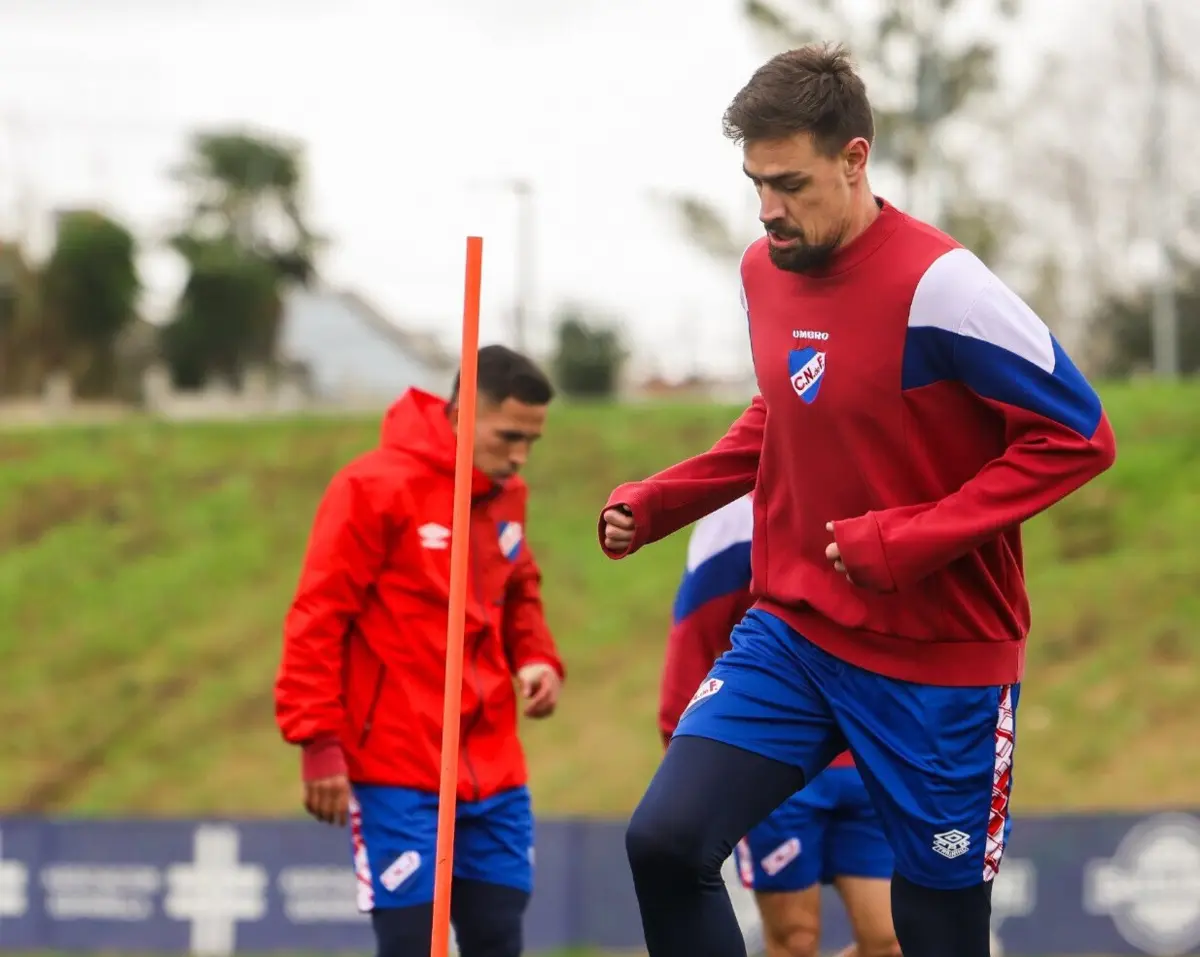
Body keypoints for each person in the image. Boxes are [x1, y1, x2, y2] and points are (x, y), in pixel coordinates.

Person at [599, 42, 1116, 957]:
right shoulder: (766, 271)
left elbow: (1079, 434)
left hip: (940, 660)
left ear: (855, 157)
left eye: (790, 183)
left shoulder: (941, 285)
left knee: (935, 927)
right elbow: (787, 408)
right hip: (795, 631)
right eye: (755, 183)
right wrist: (665, 499)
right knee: (666, 843)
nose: (769, 210)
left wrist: (915, 537)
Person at [275, 344, 566, 957]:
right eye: (509, 435)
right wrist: (319, 741)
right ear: (462, 412)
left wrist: (535, 657)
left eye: (531, 441)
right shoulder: (371, 487)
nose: (519, 455)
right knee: (410, 943)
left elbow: (520, 591)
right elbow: (316, 617)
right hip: (396, 767)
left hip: (494, 769)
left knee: (497, 938)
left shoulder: (507, 496)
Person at [662, 493, 900, 957]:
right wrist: (683, 752)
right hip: (776, 762)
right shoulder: (734, 519)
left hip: (870, 758)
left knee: (891, 942)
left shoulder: (883, 484)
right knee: (795, 939)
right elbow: (695, 632)